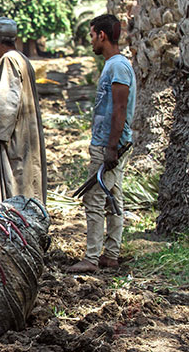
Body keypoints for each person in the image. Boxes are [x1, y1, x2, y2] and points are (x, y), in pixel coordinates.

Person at [68, 14, 136, 273]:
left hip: (109, 145)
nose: (91, 42)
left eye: (92, 36)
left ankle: (92, 258)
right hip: (113, 144)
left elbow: (119, 108)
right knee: (113, 198)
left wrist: (110, 147)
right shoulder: (114, 65)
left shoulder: (117, 66)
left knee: (94, 199)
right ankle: (111, 254)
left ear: (102, 36)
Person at [0, 17, 47, 204]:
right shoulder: (23, 59)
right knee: (28, 183)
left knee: (14, 186)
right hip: (27, 136)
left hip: (14, 139)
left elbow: (6, 103)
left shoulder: (8, 61)